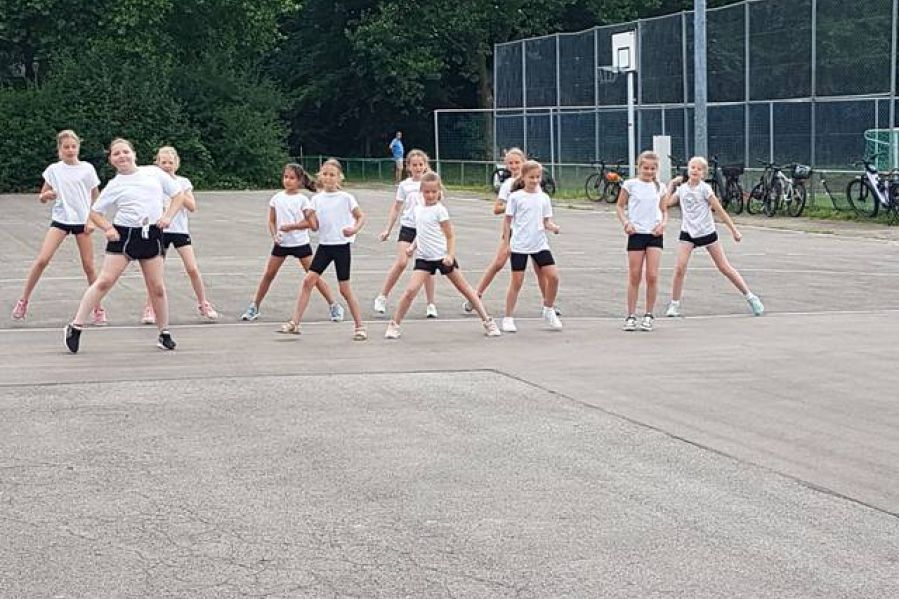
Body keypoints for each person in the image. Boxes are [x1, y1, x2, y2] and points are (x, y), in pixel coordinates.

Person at [63, 138, 189, 353]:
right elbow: (95, 213)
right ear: (111, 160)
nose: (122, 156)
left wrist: (168, 216)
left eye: (125, 152)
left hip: (151, 234)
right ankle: (75, 326)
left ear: (134, 154)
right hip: (124, 235)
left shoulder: (153, 173)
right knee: (105, 281)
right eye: (116, 154)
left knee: (157, 287)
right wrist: (108, 228)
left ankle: (164, 332)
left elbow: (178, 195)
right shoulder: (114, 185)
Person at [385, 171, 501, 339]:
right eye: (427, 192)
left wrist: (450, 255)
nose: (430, 195)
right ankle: (394, 324)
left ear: (439, 191)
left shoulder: (440, 211)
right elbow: (422, 232)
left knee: (465, 289)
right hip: (424, 258)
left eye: (434, 191)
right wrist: (412, 247)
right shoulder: (418, 210)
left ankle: (487, 321)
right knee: (410, 291)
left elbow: (450, 236)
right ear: (421, 192)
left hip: (442, 257)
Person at [12, 130, 106, 324]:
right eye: (66, 147)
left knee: (89, 266)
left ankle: (98, 307)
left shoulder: (87, 169)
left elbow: (96, 197)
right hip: (61, 219)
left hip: (82, 221)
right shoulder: (54, 170)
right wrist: (45, 196)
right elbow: (43, 195)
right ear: (60, 149)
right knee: (42, 260)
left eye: (73, 146)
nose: (70, 150)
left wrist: (92, 220)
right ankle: (23, 301)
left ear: (78, 148)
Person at [241, 164, 344, 322]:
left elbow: (311, 223)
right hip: (282, 243)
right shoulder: (276, 198)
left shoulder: (303, 200)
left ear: (300, 181)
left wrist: (292, 227)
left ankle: (334, 305)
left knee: (313, 276)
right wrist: (274, 235)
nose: (288, 181)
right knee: (269, 274)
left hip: (300, 243)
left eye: (292, 178)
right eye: (285, 177)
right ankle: (254, 306)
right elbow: (271, 221)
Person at [665, 156, 765, 317]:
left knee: (724, 267)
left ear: (704, 173)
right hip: (688, 233)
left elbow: (720, 211)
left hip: (707, 232)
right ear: (688, 170)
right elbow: (665, 204)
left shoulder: (705, 189)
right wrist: (671, 184)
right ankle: (674, 304)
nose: (695, 170)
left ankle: (751, 297)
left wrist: (734, 230)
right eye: (692, 167)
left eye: (699, 169)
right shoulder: (682, 190)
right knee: (679, 268)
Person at [279, 159, 367, 339]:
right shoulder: (316, 200)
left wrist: (354, 229)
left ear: (339, 178)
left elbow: (360, 217)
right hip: (325, 247)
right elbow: (314, 225)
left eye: (332, 175)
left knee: (344, 289)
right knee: (308, 281)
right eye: (325, 174)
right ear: (320, 176)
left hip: (341, 246)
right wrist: (300, 222)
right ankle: (295, 323)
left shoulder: (346, 198)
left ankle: (360, 327)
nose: (328, 178)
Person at [464, 148, 553, 314]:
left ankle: (548, 305)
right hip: (514, 232)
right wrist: (514, 206)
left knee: (540, 269)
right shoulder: (508, 185)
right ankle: (476, 296)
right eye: (510, 163)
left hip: (533, 232)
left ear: (524, 163)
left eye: (517, 162)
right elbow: (497, 208)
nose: (514, 166)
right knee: (498, 263)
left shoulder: (534, 183)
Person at [140, 146, 218, 324]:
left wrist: (178, 192)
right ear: (157, 163)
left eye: (170, 162)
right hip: (160, 230)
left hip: (180, 231)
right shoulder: (154, 183)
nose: (167, 166)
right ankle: (150, 307)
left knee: (192, 268)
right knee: (156, 272)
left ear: (176, 163)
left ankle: (203, 303)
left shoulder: (183, 182)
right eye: (163, 162)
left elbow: (192, 207)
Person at [373, 149, 438, 318]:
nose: (418, 168)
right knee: (402, 262)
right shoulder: (405, 185)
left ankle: (431, 304)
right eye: (414, 165)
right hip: (408, 226)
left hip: (425, 229)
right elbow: (396, 207)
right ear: (408, 166)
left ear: (425, 165)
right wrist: (388, 229)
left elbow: (438, 204)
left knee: (427, 267)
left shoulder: (431, 183)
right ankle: (382, 296)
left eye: (421, 164)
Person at [502, 160, 562, 333]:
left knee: (553, 277)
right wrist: (506, 243)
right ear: (523, 177)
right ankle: (508, 317)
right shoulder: (516, 197)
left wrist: (553, 227)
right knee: (517, 282)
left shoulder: (544, 198)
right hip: (520, 245)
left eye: (537, 177)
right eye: (531, 177)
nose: (535, 180)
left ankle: (548, 308)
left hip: (539, 244)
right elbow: (507, 221)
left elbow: (546, 221)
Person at [615, 150, 669, 332]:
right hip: (636, 233)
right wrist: (626, 223)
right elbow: (620, 206)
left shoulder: (660, 187)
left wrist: (663, 224)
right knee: (635, 275)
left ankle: (649, 314)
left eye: (652, 169)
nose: (649, 172)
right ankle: (631, 315)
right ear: (639, 167)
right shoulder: (630, 185)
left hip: (654, 234)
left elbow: (664, 210)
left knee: (652, 275)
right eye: (646, 168)